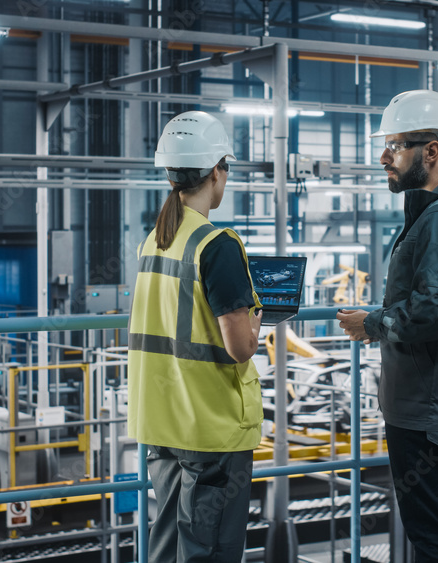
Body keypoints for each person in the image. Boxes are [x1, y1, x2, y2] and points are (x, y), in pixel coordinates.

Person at [337, 90, 438, 562]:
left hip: (427, 407)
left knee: (431, 532)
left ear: (431, 151)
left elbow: (435, 309)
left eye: (395, 145)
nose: (384, 157)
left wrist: (374, 324)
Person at [127, 111, 263, 563]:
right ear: (217, 171)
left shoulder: (155, 240)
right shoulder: (216, 244)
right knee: (210, 550)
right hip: (210, 426)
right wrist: (258, 319)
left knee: (168, 544)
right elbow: (240, 346)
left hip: (162, 422)